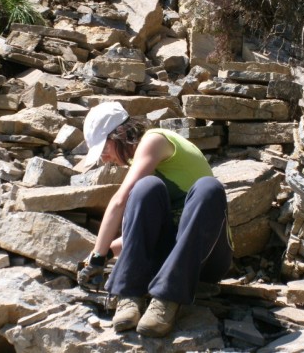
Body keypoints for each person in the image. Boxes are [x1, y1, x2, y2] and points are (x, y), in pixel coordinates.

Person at [77, 101, 233, 338]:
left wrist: (96, 259)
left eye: (104, 149)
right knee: (146, 188)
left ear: (117, 135)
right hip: (172, 255)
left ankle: (167, 298)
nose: (105, 159)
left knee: (208, 188)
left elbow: (119, 201)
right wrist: (107, 251)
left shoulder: (154, 140)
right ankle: (129, 295)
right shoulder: (142, 164)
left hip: (208, 257)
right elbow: (152, 231)